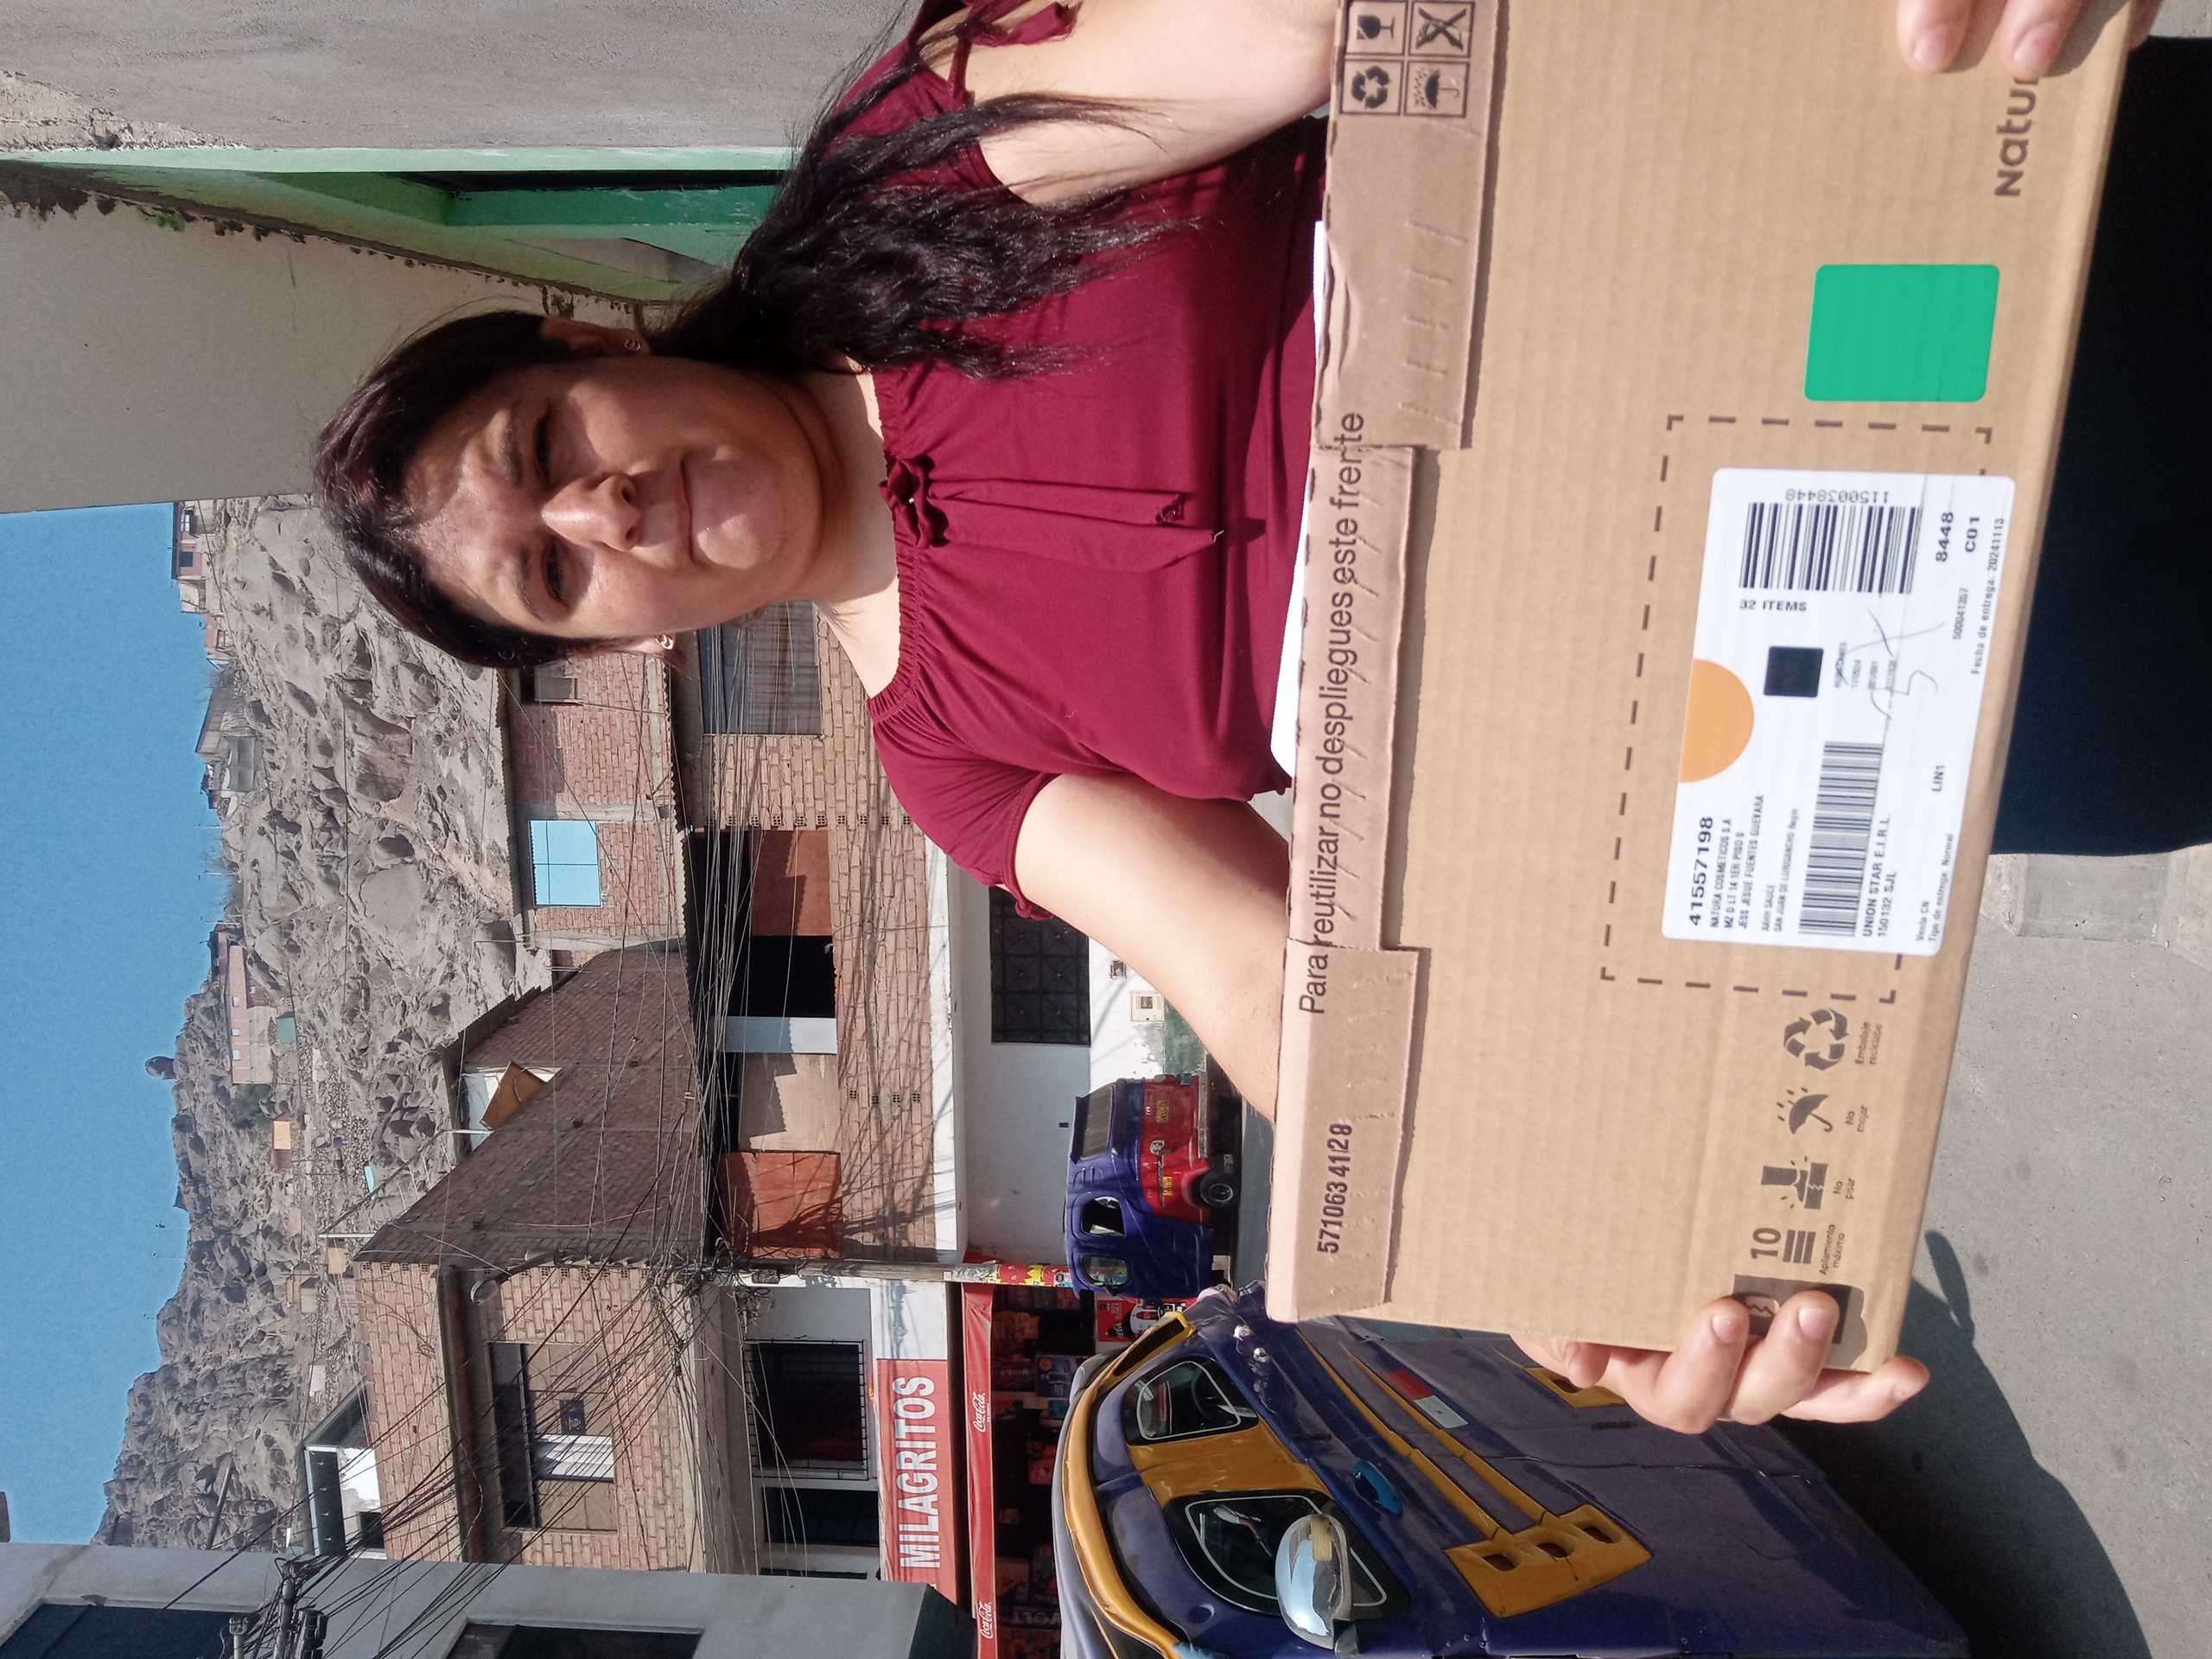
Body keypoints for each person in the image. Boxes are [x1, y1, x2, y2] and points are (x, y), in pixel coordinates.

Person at [315, 0, 2191, 1436]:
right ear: (613, 648)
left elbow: (1308, 23)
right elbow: (1280, 993)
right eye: (552, 571)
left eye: (547, 446)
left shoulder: (917, 175)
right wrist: (1557, 1241)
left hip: (1939, 279)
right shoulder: (955, 758)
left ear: (583, 343)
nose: (605, 512)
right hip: (1921, 702)